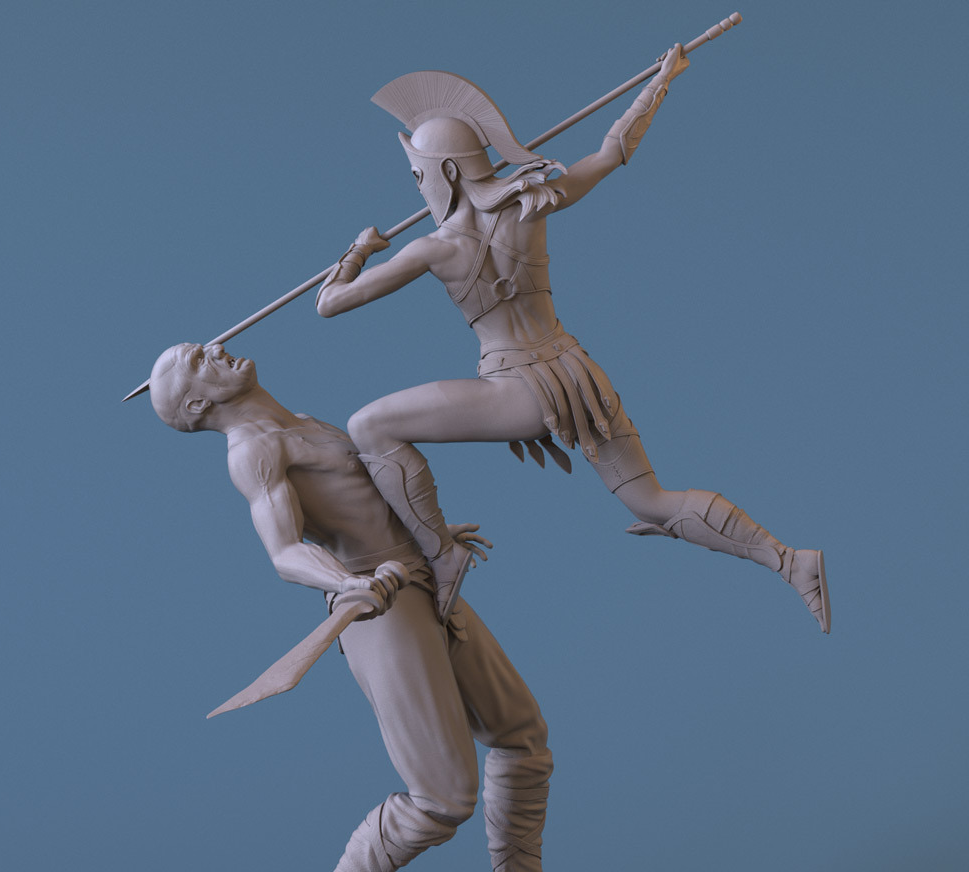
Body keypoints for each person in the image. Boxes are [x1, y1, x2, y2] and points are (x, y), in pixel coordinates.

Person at [144, 341, 614, 872]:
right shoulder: (254, 451)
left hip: (424, 583)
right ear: (197, 405)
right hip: (382, 607)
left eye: (202, 346)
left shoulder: (302, 422)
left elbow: (370, 498)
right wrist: (347, 581)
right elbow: (284, 551)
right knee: (442, 796)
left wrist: (430, 536)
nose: (215, 348)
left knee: (521, 737)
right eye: (197, 360)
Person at [314, 45, 830, 633]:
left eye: (419, 173)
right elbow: (612, 152)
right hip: (576, 376)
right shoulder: (529, 205)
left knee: (369, 427)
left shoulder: (433, 248)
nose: (418, 185)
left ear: (448, 171)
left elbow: (329, 303)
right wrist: (661, 81)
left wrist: (357, 250)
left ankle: (442, 553)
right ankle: (789, 560)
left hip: (516, 391)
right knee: (651, 500)